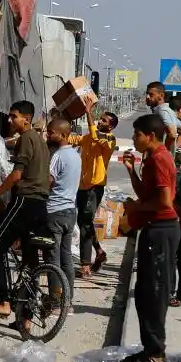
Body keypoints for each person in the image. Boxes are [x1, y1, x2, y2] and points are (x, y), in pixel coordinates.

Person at [0, 101, 50, 320]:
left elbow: (17, 175)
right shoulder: (41, 141)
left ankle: (3, 302)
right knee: (30, 262)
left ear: (26, 119)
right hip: (40, 205)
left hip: (24, 202)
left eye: (14, 116)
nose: (9, 120)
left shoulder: (26, 139)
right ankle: (26, 320)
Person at [120, 113, 180, 362]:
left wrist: (136, 208)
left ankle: (156, 351)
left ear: (151, 136)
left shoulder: (159, 159)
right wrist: (131, 171)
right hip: (154, 229)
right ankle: (150, 348)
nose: (134, 138)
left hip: (162, 230)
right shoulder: (151, 158)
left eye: (137, 134)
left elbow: (164, 201)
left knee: (154, 291)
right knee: (145, 292)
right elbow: (146, 193)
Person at [71, 108, 118, 278]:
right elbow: (75, 139)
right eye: (100, 119)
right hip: (83, 187)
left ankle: (85, 266)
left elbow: (96, 136)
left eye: (104, 121)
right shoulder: (90, 137)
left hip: (94, 188)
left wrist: (88, 113)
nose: (99, 122)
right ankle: (98, 251)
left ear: (111, 127)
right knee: (84, 222)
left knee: (85, 223)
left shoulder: (110, 140)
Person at [45, 117, 82, 314]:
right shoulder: (76, 156)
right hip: (70, 212)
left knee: (53, 258)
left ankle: (55, 301)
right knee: (66, 258)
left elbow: (48, 182)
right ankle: (68, 301)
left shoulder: (58, 156)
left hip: (55, 212)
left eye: (51, 132)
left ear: (64, 135)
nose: (48, 135)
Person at [144, 82, 181, 155]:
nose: (147, 97)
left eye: (151, 94)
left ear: (161, 95)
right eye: (147, 94)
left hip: (159, 163)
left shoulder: (163, 111)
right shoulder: (166, 111)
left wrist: (163, 153)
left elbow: (172, 133)